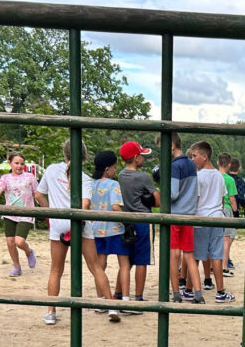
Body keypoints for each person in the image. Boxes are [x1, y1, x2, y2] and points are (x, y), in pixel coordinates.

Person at [35, 139, 120, 325]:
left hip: (58, 223)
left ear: (64, 153)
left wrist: (50, 214)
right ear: (84, 156)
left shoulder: (51, 170)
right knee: (95, 266)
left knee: (56, 269)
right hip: (80, 224)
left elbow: (39, 194)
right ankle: (111, 306)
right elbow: (85, 204)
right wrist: (79, 222)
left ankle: (51, 312)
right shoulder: (84, 178)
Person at [188, 141, 235, 303]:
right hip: (216, 218)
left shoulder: (198, 177)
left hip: (200, 219)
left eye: (195, 156)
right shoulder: (219, 177)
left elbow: (196, 200)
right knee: (216, 255)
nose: (193, 159)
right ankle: (220, 292)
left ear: (204, 156)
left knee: (195, 256)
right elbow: (222, 200)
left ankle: (189, 289)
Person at [116, 139, 159, 308]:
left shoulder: (120, 176)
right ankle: (139, 297)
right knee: (142, 260)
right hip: (143, 220)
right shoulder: (143, 177)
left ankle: (118, 293)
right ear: (135, 158)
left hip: (126, 221)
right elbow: (157, 201)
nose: (143, 158)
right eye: (141, 155)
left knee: (126, 261)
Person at [91, 150, 132, 315]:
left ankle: (101, 299)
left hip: (96, 230)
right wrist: (126, 219)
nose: (115, 170)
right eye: (114, 168)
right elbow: (115, 206)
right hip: (114, 229)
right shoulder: (113, 184)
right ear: (107, 169)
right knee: (124, 264)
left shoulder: (91, 184)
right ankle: (126, 300)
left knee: (100, 265)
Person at [167, 131, 202, 302]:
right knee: (189, 255)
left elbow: (173, 194)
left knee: (174, 255)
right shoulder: (191, 164)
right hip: (189, 214)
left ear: (172, 146)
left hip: (175, 215)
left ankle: (176, 294)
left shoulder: (175, 166)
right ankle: (198, 294)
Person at [0, 152, 38, 276]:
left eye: (22, 164)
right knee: (10, 242)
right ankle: (17, 267)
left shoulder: (30, 177)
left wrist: (42, 208)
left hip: (26, 212)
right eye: (16, 163)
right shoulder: (5, 178)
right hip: (10, 213)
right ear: (10, 163)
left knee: (19, 241)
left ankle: (29, 252)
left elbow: (36, 193)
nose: (19, 166)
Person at [217, 152, 238, 277]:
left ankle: (214, 266)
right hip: (227, 209)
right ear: (229, 165)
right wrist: (235, 211)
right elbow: (232, 199)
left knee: (216, 239)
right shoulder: (230, 180)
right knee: (226, 239)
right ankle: (224, 267)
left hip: (215, 209)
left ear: (217, 163)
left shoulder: (215, 177)